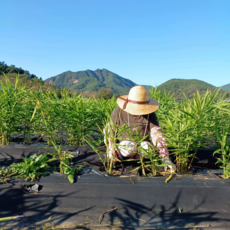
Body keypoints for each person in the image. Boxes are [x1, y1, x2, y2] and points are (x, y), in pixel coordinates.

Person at [104, 85, 176, 173]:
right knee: (129, 148)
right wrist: (111, 149)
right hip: (125, 145)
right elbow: (110, 131)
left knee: (147, 149)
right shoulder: (118, 112)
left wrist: (165, 157)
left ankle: (140, 160)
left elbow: (156, 134)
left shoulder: (150, 114)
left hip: (142, 144)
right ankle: (127, 159)